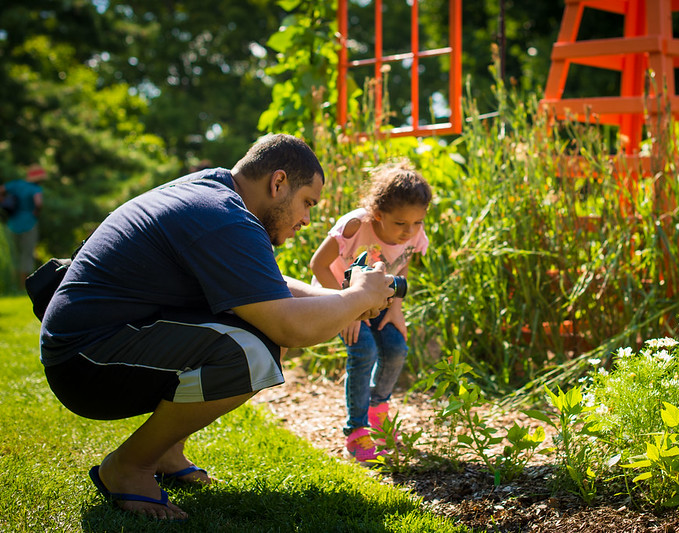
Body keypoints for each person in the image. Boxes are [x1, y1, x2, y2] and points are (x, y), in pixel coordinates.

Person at [39, 134, 395, 521]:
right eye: (307, 202)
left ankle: (165, 452)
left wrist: (346, 298)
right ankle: (128, 467)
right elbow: (289, 327)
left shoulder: (216, 194)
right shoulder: (223, 215)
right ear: (278, 183)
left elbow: (268, 286)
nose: (306, 219)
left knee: (256, 336)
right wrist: (358, 297)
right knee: (252, 352)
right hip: (86, 360)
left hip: (96, 342)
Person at [309, 161, 432, 465]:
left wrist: (397, 309)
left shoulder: (413, 233)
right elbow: (318, 265)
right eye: (400, 223)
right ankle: (356, 431)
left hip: (376, 299)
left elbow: (401, 264)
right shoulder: (355, 226)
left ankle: (378, 414)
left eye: (417, 222)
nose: (409, 231)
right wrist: (348, 308)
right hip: (335, 295)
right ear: (378, 214)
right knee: (363, 349)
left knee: (396, 347)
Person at [1, 164, 46, 290]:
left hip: (12, 224)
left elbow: (1, 190)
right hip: (29, 224)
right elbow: (39, 203)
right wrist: (35, 213)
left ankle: (13, 285)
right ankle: (24, 286)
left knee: (14, 256)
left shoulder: (16, 184)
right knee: (26, 255)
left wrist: (4, 204)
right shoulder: (35, 188)